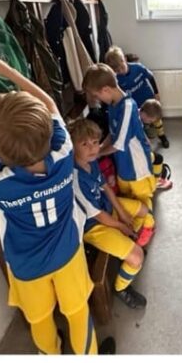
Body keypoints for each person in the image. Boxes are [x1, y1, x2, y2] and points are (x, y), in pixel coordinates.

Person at [0, 55, 110, 354]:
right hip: (67, 254)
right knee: (78, 314)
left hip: (26, 266)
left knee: (40, 321)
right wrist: (8, 71)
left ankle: (49, 354)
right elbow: (49, 103)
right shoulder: (64, 154)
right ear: (48, 134)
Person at [70, 117, 151, 309]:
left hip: (106, 209)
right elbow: (97, 216)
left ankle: (129, 242)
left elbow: (105, 186)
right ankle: (121, 288)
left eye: (95, 142)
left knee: (144, 210)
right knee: (137, 257)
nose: (92, 148)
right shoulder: (75, 177)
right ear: (73, 146)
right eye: (84, 144)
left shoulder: (90, 161)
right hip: (94, 227)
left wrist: (122, 213)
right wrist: (123, 225)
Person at [82, 64, 164, 210]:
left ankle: (148, 225)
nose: (97, 99)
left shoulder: (128, 107)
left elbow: (119, 143)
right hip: (123, 166)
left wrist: (97, 153)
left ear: (106, 90)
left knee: (143, 201)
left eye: (97, 95)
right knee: (129, 200)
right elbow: (113, 133)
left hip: (137, 168)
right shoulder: (112, 105)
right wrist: (100, 147)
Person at [103, 46, 167, 148]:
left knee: (156, 119)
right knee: (140, 122)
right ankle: (145, 139)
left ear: (124, 59)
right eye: (117, 70)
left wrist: (156, 93)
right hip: (135, 104)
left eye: (122, 67)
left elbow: (151, 77)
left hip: (148, 99)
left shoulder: (138, 68)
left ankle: (162, 135)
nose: (121, 71)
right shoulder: (116, 79)